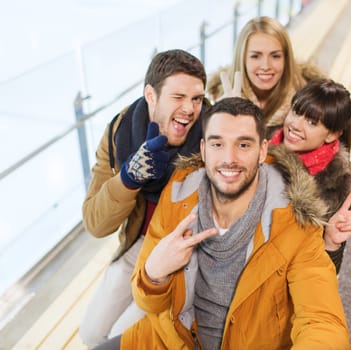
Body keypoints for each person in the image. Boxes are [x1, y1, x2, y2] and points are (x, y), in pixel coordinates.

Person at [93, 97, 351, 349]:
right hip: (172, 339)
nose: (229, 159)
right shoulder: (177, 195)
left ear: (262, 151)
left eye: (243, 145)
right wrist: (153, 275)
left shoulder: (296, 220)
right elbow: (149, 303)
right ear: (204, 150)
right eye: (218, 145)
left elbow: (323, 321)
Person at [80, 49, 208, 347]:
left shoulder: (211, 133)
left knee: (121, 340)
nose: (190, 109)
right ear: (151, 95)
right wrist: (128, 179)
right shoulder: (119, 132)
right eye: (178, 97)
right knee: (89, 334)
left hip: (180, 257)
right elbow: (95, 224)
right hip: (137, 244)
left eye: (197, 99)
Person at [268, 78, 351, 273]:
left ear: (332, 135)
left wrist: (331, 244)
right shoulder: (261, 140)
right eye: (296, 112)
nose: (296, 125)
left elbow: (325, 272)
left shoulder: (340, 183)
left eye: (312, 122)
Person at [207, 16, 325, 138]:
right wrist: (222, 119)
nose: (266, 66)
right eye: (255, 56)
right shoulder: (219, 99)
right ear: (242, 59)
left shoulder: (312, 100)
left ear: (286, 59)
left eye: (275, 56)